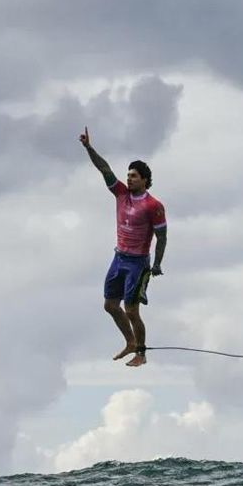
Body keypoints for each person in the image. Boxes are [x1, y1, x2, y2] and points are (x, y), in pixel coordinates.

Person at [79, 126, 167, 367]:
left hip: (138, 263)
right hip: (119, 258)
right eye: (128, 175)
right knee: (109, 305)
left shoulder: (153, 205)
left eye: (134, 176)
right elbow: (104, 168)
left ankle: (141, 352)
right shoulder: (121, 194)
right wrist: (89, 148)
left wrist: (157, 264)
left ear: (145, 181)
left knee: (131, 310)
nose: (129, 179)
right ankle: (129, 342)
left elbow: (162, 237)